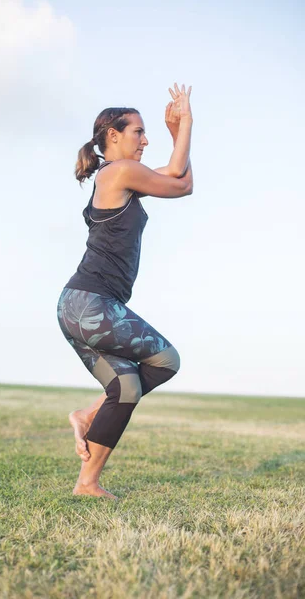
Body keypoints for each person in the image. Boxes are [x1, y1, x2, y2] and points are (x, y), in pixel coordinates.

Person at [57, 83, 193, 499]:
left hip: (82, 307)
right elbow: (180, 183)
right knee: (165, 359)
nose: (144, 139)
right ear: (112, 136)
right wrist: (183, 126)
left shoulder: (118, 175)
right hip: (91, 302)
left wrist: (178, 137)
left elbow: (179, 177)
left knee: (128, 386)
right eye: (138, 132)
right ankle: (89, 412)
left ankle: (88, 482)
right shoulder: (117, 171)